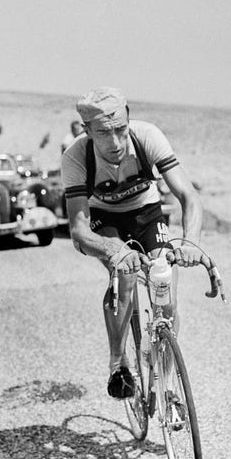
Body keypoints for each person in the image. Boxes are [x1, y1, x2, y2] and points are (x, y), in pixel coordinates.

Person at [61, 87, 203, 400]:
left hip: (146, 212)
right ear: (87, 131)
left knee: (166, 290)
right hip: (103, 218)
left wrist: (191, 242)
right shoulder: (75, 157)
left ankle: (166, 383)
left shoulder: (148, 137)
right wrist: (115, 251)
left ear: (129, 120)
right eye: (103, 134)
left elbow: (189, 196)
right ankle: (118, 363)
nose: (115, 144)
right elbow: (79, 233)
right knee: (123, 275)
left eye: (121, 130)